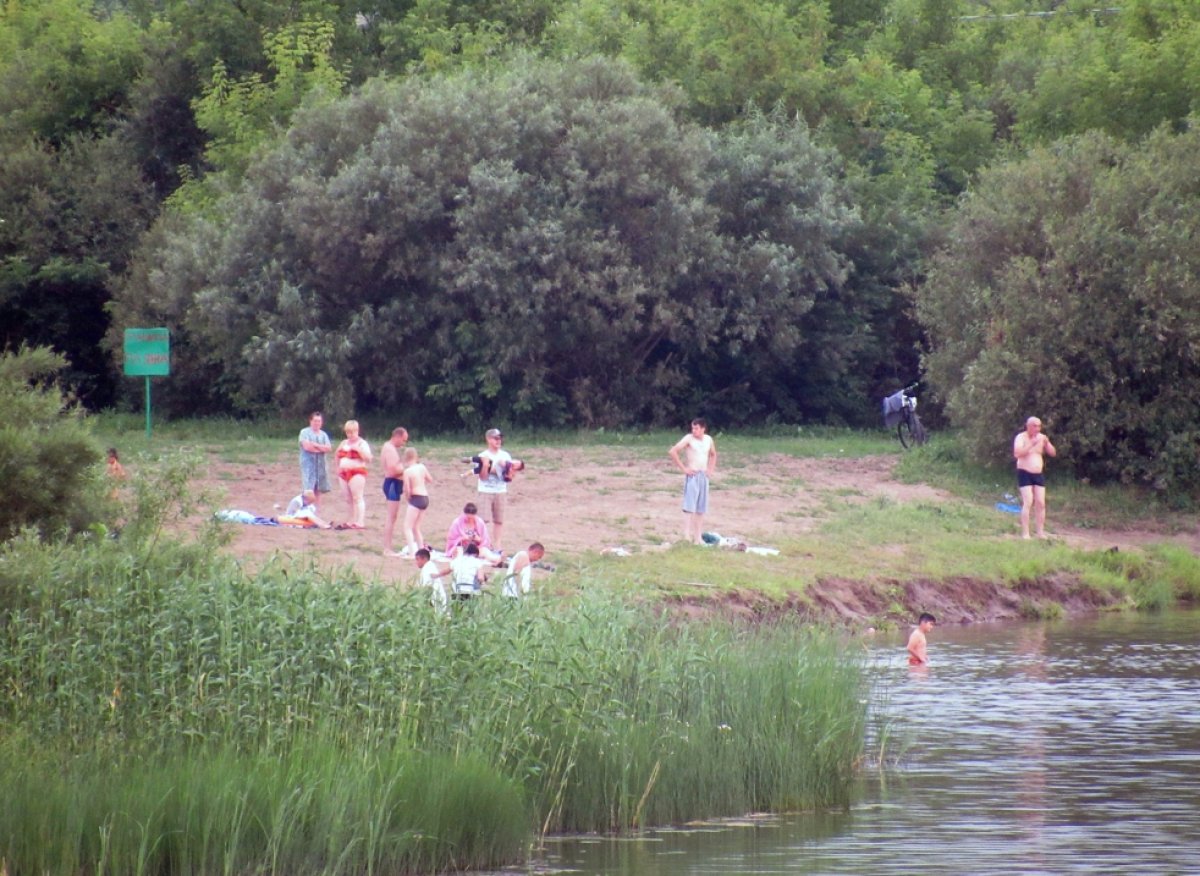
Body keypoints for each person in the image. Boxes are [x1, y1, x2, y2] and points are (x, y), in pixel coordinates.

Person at [668, 418, 718, 544]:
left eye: (696, 428)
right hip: (693, 475)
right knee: (689, 506)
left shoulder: (708, 439)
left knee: (701, 508)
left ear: (703, 429)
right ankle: (686, 535)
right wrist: (684, 468)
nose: (694, 431)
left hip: (703, 475)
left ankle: (698, 537)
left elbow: (713, 454)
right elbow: (673, 451)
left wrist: (710, 470)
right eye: (693, 428)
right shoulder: (688, 438)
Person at [476, 427, 521, 551]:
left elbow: (510, 475)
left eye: (500, 438)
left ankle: (497, 546)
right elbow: (483, 477)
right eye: (496, 438)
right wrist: (486, 466)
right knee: (483, 520)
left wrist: (507, 472)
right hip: (485, 491)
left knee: (499, 520)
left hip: (500, 491)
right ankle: (483, 545)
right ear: (488, 439)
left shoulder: (505, 455)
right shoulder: (482, 455)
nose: (499, 440)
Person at [1014, 416, 1058, 539]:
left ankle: (1040, 532)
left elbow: (1053, 453)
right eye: (1034, 426)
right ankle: (1025, 533)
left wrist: (1047, 443)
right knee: (1028, 501)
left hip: (1038, 473)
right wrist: (1031, 444)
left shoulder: (1041, 437)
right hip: (1024, 472)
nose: (1037, 428)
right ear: (1028, 426)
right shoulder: (1021, 437)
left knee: (1040, 503)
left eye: (1039, 426)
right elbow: (1017, 453)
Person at [334, 420, 372, 529]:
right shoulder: (343, 443)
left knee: (357, 497)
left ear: (357, 431)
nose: (350, 435)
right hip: (343, 472)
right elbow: (337, 454)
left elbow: (369, 458)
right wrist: (337, 467)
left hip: (357, 472)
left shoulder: (362, 443)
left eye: (352, 432)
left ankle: (360, 521)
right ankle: (351, 520)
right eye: (348, 432)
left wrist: (359, 450)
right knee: (348, 498)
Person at [380, 427, 409, 554]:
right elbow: (392, 470)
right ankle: (387, 548)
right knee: (391, 517)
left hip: (395, 484)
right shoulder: (389, 449)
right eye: (403, 440)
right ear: (397, 436)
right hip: (392, 484)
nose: (403, 443)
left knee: (393, 517)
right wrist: (406, 468)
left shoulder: (390, 448)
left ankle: (388, 546)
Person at [401, 446, 434, 557]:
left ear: (406, 458)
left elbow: (407, 488)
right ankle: (421, 551)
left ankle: (412, 552)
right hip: (425, 497)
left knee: (407, 527)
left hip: (416, 498)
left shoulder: (407, 472)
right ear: (416, 456)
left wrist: (408, 497)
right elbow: (430, 479)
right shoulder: (422, 467)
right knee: (416, 527)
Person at [298, 412, 332, 505]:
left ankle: (316, 513)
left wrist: (316, 445)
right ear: (310, 421)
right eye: (315, 421)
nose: (317, 423)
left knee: (318, 490)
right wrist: (321, 448)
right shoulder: (304, 432)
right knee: (308, 490)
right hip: (308, 466)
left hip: (321, 466)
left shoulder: (323, 434)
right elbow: (307, 447)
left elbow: (329, 448)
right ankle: (306, 511)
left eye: (319, 421)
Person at [414, 548, 451, 615]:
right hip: (432, 598)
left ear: (424, 559)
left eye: (417, 559)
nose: (416, 562)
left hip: (435, 598)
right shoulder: (427, 567)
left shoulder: (429, 566)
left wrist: (440, 574)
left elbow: (432, 576)